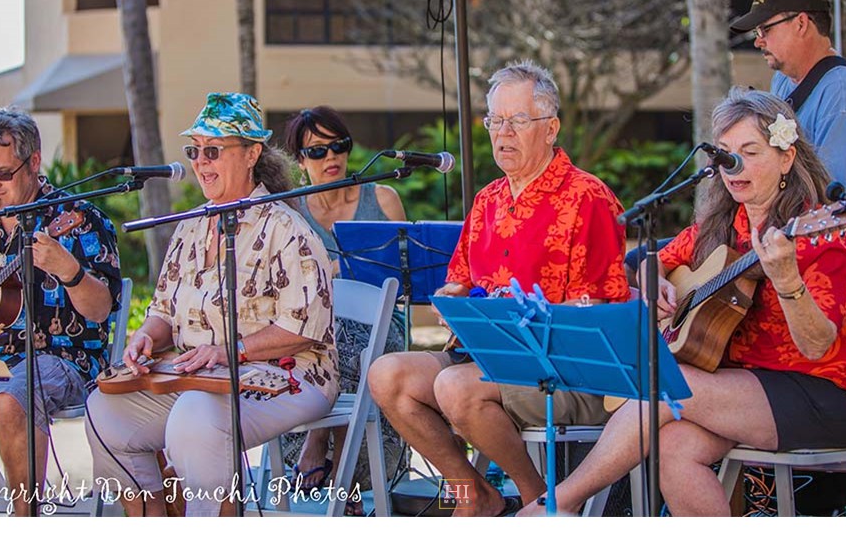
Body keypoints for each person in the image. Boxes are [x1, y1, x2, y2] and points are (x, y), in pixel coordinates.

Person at [518, 88, 846, 516]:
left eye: (750, 152)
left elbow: (817, 345)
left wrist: (787, 280)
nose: (734, 166)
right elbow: (650, 259)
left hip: (829, 394)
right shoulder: (724, 225)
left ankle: (556, 504)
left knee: (663, 386)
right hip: (745, 386)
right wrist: (653, 280)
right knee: (673, 445)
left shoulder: (824, 241)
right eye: (726, 153)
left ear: (786, 158)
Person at [369, 60, 630, 517]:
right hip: (485, 358)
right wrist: (451, 298)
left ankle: (539, 503)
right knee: (387, 375)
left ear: (551, 128)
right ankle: (477, 495)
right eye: (495, 121)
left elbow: (598, 309)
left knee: (455, 387)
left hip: (560, 370)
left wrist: (528, 320)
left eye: (518, 121)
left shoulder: (587, 197)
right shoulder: (488, 199)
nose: (503, 133)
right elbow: (461, 279)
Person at [85, 92, 339, 517]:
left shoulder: (287, 228)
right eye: (195, 151)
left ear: (252, 154)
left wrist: (227, 352)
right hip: (201, 378)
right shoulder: (190, 225)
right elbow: (163, 310)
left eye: (213, 151)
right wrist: (146, 337)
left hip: (291, 377)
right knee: (103, 411)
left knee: (196, 417)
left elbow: (303, 329)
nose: (201, 163)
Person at [0, 106, 121, 516]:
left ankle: (25, 525)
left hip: (64, 357)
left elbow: (100, 310)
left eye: (3, 174)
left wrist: (70, 271)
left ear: (34, 162)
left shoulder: (80, 220)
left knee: (13, 398)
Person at [281, 105, 406, 512]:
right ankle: (343, 475)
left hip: (380, 331)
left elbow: (404, 278)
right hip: (314, 333)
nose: (331, 157)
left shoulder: (382, 199)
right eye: (317, 151)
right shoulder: (291, 212)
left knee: (347, 338)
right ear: (300, 161)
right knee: (330, 334)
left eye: (339, 146)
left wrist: (345, 271)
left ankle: (319, 440)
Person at [730, 0, 846, 252]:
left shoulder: (843, 97)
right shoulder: (784, 80)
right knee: (651, 258)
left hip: (827, 257)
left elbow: (833, 208)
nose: (758, 42)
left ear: (801, 23)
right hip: (780, 236)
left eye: (765, 30)